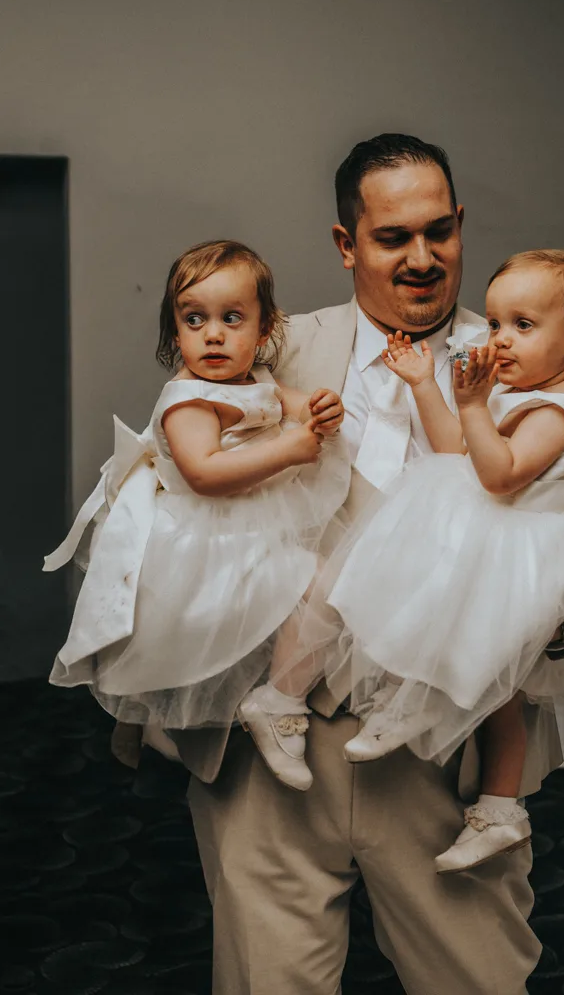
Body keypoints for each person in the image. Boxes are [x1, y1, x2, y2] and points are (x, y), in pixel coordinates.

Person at [172, 135, 564, 995]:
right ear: (345, 243)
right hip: (272, 753)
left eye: (440, 232)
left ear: (462, 225)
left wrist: (540, 608)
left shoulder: (524, 355)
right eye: (393, 238)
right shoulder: (267, 346)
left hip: (449, 754)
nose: (423, 259)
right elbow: (177, 492)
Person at [309, 249, 564, 874]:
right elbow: (456, 457)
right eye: (496, 324)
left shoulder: (559, 411)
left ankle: (456, 759)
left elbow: (497, 478)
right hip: (492, 546)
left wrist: (473, 405)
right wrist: (426, 385)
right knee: (497, 694)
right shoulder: (519, 393)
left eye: (523, 325)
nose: (500, 340)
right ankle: (499, 810)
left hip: (520, 559)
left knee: (491, 681)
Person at [44, 240, 349, 792]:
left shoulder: (255, 377)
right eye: (195, 319)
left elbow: (290, 401)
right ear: (175, 331)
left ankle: (225, 711)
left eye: (232, 318)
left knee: (288, 606)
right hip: (203, 537)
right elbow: (204, 472)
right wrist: (289, 450)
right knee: (203, 636)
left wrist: (318, 407)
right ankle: (255, 711)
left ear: (263, 331)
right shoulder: (187, 399)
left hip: (250, 521)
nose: (213, 333)